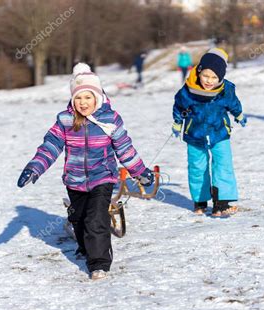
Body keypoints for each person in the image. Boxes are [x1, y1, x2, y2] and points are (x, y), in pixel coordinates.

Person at [17, 63, 154, 280]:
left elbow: (125, 148)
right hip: (75, 180)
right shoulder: (65, 120)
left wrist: (140, 172)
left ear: (97, 97)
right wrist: (35, 167)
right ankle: (85, 247)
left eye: (88, 98)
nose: (83, 103)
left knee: (96, 219)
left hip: (103, 177)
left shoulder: (110, 120)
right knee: (79, 219)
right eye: (78, 98)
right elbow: (50, 146)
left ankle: (99, 263)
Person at [172, 48, 246, 217]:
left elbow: (233, 103)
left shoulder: (225, 90)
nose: (209, 81)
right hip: (194, 134)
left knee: (223, 165)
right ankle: (200, 201)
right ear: (199, 71)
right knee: (197, 167)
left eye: (214, 77)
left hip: (219, 133)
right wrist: (177, 122)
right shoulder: (187, 90)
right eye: (206, 75)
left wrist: (239, 114)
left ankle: (222, 203)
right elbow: (179, 106)